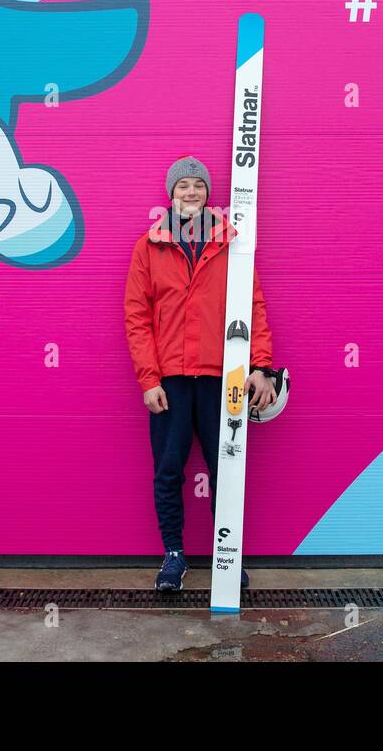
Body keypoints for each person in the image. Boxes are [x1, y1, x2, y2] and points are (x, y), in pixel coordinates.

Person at [124, 155, 277, 592]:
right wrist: (148, 379)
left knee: (225, 469)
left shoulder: (232, 244)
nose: (191, 192)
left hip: (221, 378)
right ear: (170, 194)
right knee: (168, 469)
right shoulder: (148, 247)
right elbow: (136, 317)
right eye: (182, 186)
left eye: (198, 185)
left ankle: (224, 557)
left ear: (209, 194)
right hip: (169, 380)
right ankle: (173, 555)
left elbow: (255, 308)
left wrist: (261, 366)